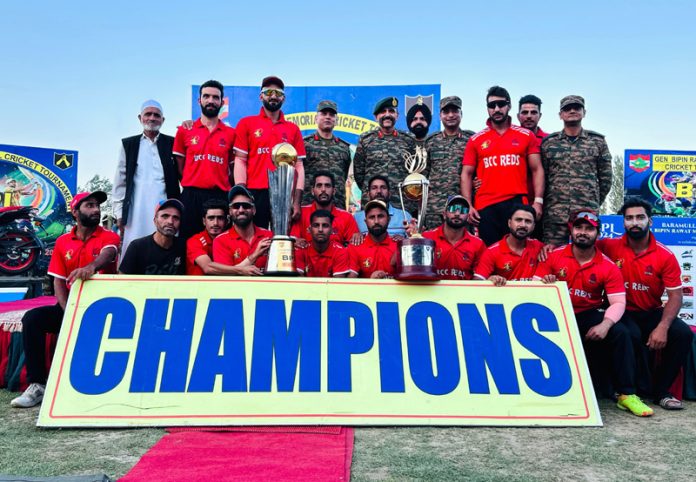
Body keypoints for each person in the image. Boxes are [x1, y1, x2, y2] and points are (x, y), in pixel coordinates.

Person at [535, 209, 653, 417]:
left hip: (586, 313)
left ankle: (627, 394)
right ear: (571, 231)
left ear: (598, 234)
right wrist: (545, 285)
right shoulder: (553, 256)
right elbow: (534, 289)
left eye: (589, 229)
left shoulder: (608, 266)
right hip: (555, 314)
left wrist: (605, 324)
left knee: (622, 332)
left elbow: (618, 302)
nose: (583, 232)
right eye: (579, 227)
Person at [11, 191, 119, 408]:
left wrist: (91, 266)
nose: (96, 210)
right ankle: (37, 385)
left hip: (106, 309)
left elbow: (109, 253)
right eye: (89, 205)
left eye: (97, 206)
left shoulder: (109, 236)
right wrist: (68, 310)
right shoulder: (62, 242)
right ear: (75, 211)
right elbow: (58, 281)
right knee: (33, 318)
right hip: (72, 307)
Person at [597, 198, 694, 410]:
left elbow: (676, 296)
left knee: (683, 334)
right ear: (622, 223)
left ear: (650, 221)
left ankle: (661, 392)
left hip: (650, 311)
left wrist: (662, 327)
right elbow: (580, 246)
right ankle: (628, 392)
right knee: (628, 334)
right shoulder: (609, 246)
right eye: (629, 218)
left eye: (640, 217)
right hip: (621, 311)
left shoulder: (664, 255)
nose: (634, 222)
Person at [460, 86, 544, 246]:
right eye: (492, 105)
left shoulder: (526, 135)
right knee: (488, 253)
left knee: (518, 253)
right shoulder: (476, 139)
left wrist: (538, 201)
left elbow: (537, 169)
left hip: (517, 203)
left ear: (509, 106)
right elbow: (466, 174)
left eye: (501, 104)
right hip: (485, 207)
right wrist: (468, 205)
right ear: (487, 109)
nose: (497, 109)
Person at [233, 76, 306, 229]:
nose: (273, 96)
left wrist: (296, 201)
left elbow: (299, 166)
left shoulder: (293, 129)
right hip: (254, 192)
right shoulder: (247, 123)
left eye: (278, 93)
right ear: (261, 96)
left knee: (280, 238)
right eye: (269, 92)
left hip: (284, 194)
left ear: (283, 99)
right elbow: (240, 160)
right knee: (256, 239)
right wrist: (242, 194)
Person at [541, 95, 612, 246]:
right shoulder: (549, 143)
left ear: (584, 112)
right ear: (561, 115)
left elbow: (606, 179)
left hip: (586, 215)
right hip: (555, 215)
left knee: (585, 257)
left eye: (576, 108)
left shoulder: (597, 142)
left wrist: (592, 202)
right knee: (552, 257)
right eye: (567, 109)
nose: (572, 111)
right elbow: (543, 178)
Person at [113, 100, 180, 256]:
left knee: (166, 247)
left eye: (156, 115)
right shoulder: (128, 144)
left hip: (165, 204)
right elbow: (120, 181)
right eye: (148, 114)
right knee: (134, 248)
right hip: (137, 207)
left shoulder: (173, 143)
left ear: (162, 120)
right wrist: (119, 212)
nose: (152, 118)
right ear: (140, 118)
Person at [173, 80, 236, 239]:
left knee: (220, 243)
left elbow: (233, 170)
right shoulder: (184, 130)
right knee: (187, 242)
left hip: (220, 196)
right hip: (191, 196)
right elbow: (180, 167)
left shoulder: (231, 133)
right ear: (199, 100)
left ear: (222, 102)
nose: (210, 100)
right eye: (206, 96)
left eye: (215, 97)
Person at [353, 97, 417, 210]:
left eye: (391, 111)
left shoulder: (409, 139)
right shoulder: (365, 139)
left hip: (401, 203)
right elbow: (359, 174)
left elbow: (413, 172)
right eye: (383, 111)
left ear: (397, 116)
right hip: (372, 202)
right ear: (376, 117)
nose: (387, 115)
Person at [424, 96, 475, 228]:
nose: (451, 115)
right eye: (446, 112)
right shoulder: (431, 141)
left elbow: (478, 170)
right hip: (435, 209)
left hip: (462, 207)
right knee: (434, 245)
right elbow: (424, 175)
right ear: (440, 116)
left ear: (461, 114)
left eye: (455, 111)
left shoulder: (472, 139)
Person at [185, 198, 262, 276]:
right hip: (198, 286)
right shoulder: (195, 241)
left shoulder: (233, 239)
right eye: (211, 218)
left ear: (227, 221)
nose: (215, 223)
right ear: (204, 221)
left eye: (220, 218)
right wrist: (242, 269)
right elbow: (208, 268)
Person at [474, 204, 545, 284]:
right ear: (509, 223)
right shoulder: (492, 251)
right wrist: (489, 280)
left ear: (533, 226)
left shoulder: (540, 248)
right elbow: (477, 281)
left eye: (528, 221)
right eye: (518, 220)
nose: (523, 225)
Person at [422, 195, 485, 280]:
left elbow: (481, 276)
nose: (457, 214)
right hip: (431, 292)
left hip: (464, 292)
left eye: (463, 210)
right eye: (453, 209)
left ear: (468, 216)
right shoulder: (426, 238)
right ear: (444, 214)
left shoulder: (478, 244)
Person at [302, 100, 352, 209]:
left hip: (337, 205)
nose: (328, 117)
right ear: (316, 118)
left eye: (331, 115)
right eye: (324, 114)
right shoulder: (304, 144)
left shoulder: (343, 147)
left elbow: (344, 173)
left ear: (336, 120)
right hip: (310, 205)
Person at [212, 185, 272, 271]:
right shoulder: (221, 240)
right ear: (230, 211)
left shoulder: (269, 235)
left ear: (254, 210)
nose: (241, 210)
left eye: (246, 206)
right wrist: (255, 256)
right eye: (236, 206)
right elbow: (225, 275)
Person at [119, 199, 186, 275]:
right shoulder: (137, 247)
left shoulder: (184, 247)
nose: (170, 221)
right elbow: (122, 279)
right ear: (155, 221)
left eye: (176, 218)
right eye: (165, 216)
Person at [291, 171, 359, 246]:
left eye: (327, 186)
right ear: (312, 191)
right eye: (319, 186)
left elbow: (354, 246)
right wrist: (295, 241)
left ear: (334, 191)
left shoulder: (346, 217)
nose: (323, 189)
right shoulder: (301, 213)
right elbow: (294, 239)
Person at [348, 200, 397, 278]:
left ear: (388, 219)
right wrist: (371, 281)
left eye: (380, 216)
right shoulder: (355, 247)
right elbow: (349, 283)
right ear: (365, 221)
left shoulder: (399, 247)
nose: (376, 221)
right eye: (372, 217)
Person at [295, 210, 351, 277]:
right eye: (316, 225)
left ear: (332, 230)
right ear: (309, 229)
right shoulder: (301, 250)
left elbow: (337, 285)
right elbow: (298, 283)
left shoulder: (340, 252)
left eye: (325, 225)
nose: (320, 229)